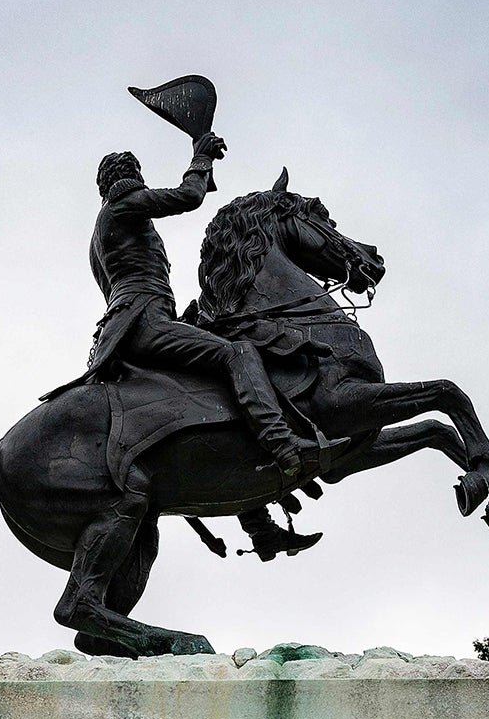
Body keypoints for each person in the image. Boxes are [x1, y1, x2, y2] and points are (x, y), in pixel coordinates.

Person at [65, 132, 314, 480]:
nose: (141, 182)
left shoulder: (100, 235)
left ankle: (260, 527)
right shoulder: (123, 203)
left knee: (208, 393)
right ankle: (282, 442)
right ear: (129, 175)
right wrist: (201, 159)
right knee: (236, 354)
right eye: (138, 173)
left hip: (130, 326)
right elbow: (188, 196)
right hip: (145, 322)